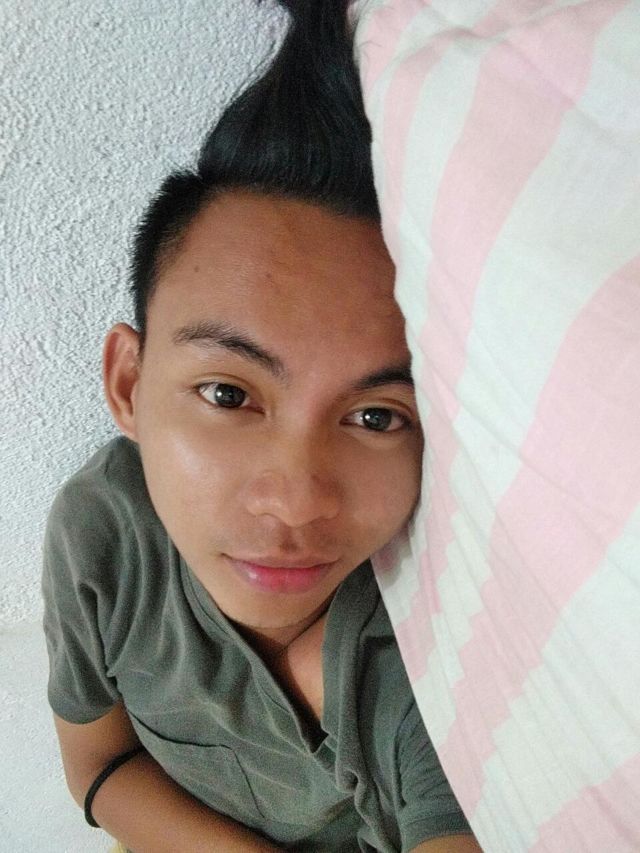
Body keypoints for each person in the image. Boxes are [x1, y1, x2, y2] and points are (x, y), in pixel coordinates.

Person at [42, 1, 481, 850]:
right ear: (129, 383)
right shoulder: (105, 533)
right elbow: (98, 764)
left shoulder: (426, 650)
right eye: (227, 393)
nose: (295, 500)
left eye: (375, 415)